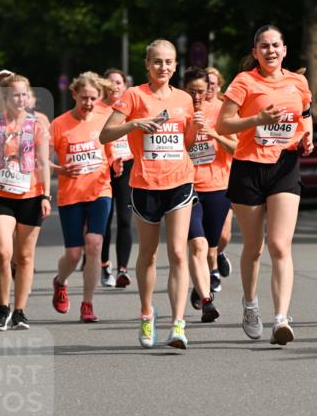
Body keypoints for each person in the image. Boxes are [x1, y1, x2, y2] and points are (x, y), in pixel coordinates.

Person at [216, 25, 313, 345]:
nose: (270, 50)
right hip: (249, 168)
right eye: (264, 46)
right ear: (255, 52)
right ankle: (250, 305)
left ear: (285, 50)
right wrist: (256, 121)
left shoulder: (298, 82)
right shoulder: (245, 82)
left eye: (276, 45)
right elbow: (224, 123)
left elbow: (306, 113)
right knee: (254, 247)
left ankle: (281, 319)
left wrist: (307, 136)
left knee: (280, 245)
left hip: (285, 166)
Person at [100, 39, 197, 349]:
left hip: (180, 180)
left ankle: (178, 324)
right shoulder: (133, 95)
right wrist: (134, 124)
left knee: (179, 252)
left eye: (169, 62)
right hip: (145, 183)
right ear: (147, 64)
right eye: (157, 61)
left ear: (176, 65)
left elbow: (188, 143)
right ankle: (146, 314)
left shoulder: (184, 98)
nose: (163, 67)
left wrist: (200, 127)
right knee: (149, 254)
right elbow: (105, 134)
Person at [0, 74, 51, 329]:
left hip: (31, 195)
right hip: (0, 195)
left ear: (29, 96)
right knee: (2, 250)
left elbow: (43, 163)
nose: (20, 100)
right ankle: (3, 307)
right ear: (5, 98)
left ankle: (20, 311)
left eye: (24, 95)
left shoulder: (37, 125)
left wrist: (46, 195)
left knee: (25, 256)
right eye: (15, 95)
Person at [50, 72, 114, 323]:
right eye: (84, 98)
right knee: (74, 254)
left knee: (94, 243)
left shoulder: (105, 118)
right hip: (71, 194)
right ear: (74, 94)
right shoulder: (59, 124)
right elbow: (39, 160)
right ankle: (60, 281)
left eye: (94, 98)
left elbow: (114, 150)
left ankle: (87, 304)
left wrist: (117, 161)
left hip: (100, 191)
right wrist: (60, 170)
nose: (89, 103)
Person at [183, 67, 236, 322]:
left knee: (212, 246)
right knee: (198, 245)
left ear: (210, 90)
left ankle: (200, 284)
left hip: (217, 186)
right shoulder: (178, 112)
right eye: (191, 92)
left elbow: (237, 148)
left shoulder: (221, 111)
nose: (196, 97)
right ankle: (206, 301)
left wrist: (213, 133)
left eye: (201, 92)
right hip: (185, 187)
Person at [100, 68, 135, 290]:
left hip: (128, 164)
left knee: (125, 218)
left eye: (119, 82)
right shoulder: (98, 110)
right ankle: (104, 265)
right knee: (104, 218)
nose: (115, 86)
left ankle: (122, 269)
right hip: (104, 168)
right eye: (111, 82)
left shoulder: (132, 109)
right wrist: (111, 158)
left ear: (125, 85)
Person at [205, 65, 234, 286]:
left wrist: (215, 135)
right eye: (204, 84)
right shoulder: (189, 108)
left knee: (223, 236)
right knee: (202, 239)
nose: (208, 88)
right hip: (195, 183)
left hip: (223, 180)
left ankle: (219, 255)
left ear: (219, 86)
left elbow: (236, 148)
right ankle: (211, 273)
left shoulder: (226, 109)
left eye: (212, 84)